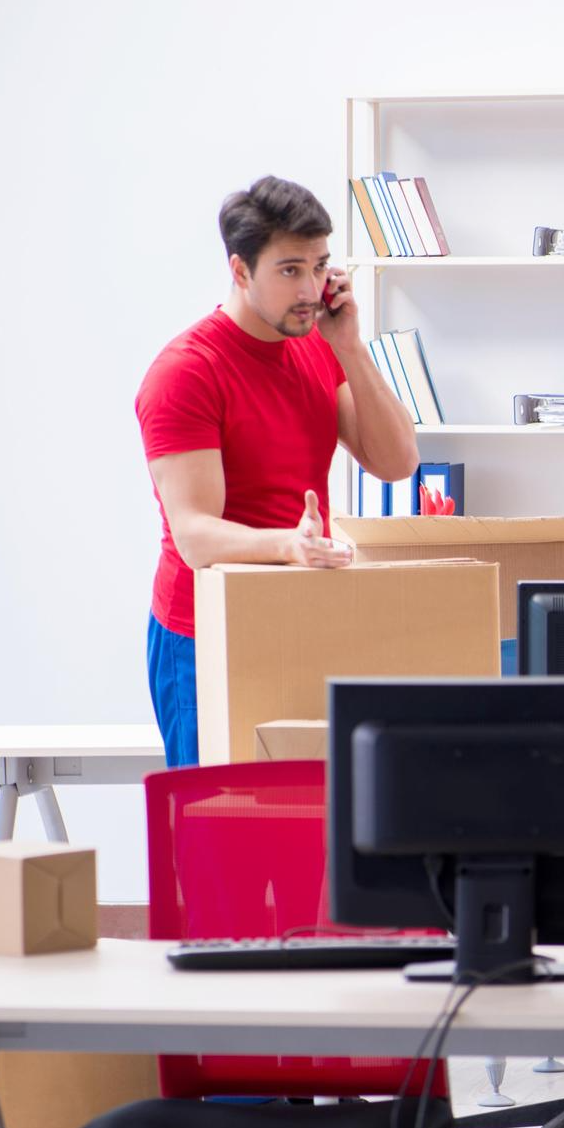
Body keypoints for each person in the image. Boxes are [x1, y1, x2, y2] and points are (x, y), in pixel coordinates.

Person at [136, 176, 418, 767]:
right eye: (290, 270)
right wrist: (289, 546)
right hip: (204, 630)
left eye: (319, 267)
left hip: (301, 610)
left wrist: (350, 346)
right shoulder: (187, 373)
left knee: (308, 828)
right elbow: (194, 535)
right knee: (220, 828)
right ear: (240, 271)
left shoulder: (317, 343)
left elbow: (396, 463)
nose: (311, 288)